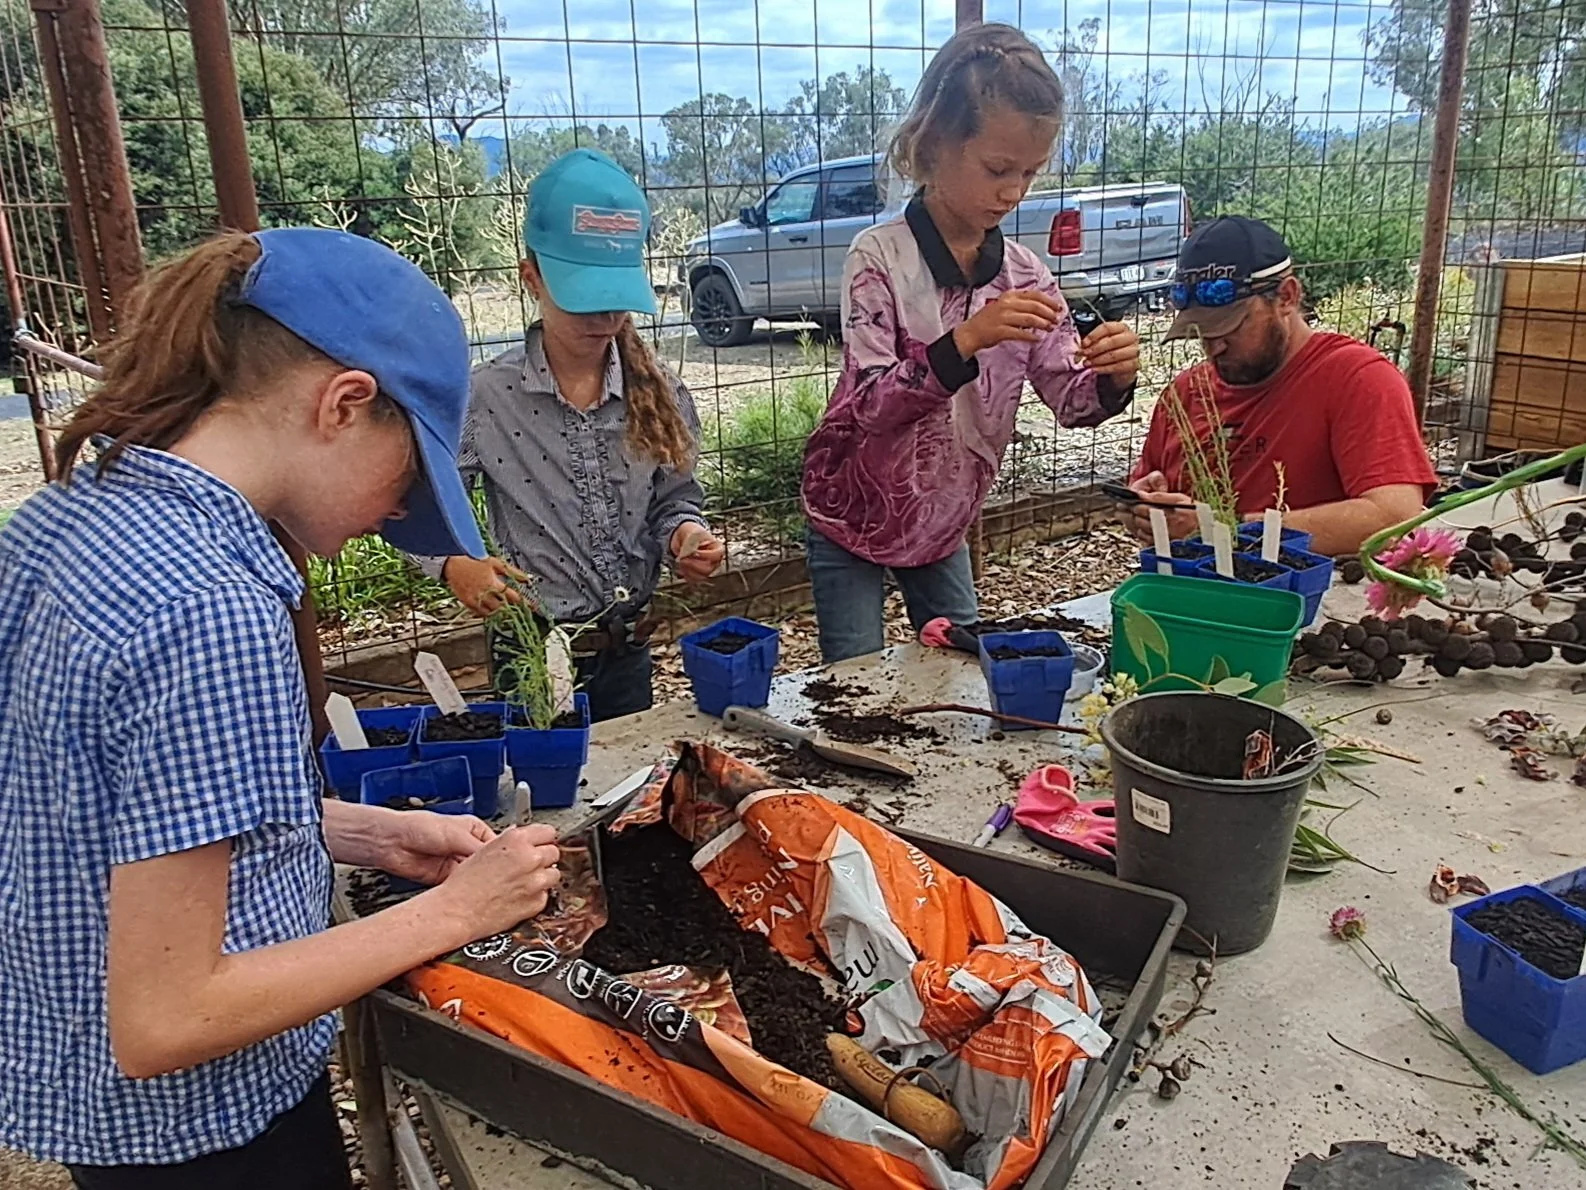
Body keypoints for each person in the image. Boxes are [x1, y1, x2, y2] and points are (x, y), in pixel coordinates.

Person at [0, 228, 562, 1189]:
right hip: (205, 1132)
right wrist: (457, 912)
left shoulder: (66, 519)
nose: (393, 516)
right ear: (345, 405)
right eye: (406, 481)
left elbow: (94, 805)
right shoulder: (212, 607)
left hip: (95, 1102)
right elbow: (170, 1017)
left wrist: (354, 832)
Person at [799, 22, 1141, 664]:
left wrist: (1112, 375)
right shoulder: (879, 259)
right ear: (933, 145)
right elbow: (872, 404)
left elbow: (1072, 399)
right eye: (996, 168)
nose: (1013, 191)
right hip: (849, 511)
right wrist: (965, 342)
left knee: (966, 670)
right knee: (854, 678)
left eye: (1030, 173)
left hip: (941, 524)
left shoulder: (1025, 276)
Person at [421, 149, 724, 721]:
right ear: (531, 277)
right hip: (531, 648)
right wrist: (455, 565)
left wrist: (686, 534)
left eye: (615, 298)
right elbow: (418, 500)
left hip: (626, 644)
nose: (603, 318)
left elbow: (673, 499)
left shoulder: (658, 392)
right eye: (583, 297)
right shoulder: (485, 398)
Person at [1127, 216, 1436, 556]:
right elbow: (1151, 487)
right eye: (1201, 333)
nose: (1214, 347)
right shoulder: (1186, 394)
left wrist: (1224, 530)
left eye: (1231, 326)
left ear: (1287, 297)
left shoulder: (1357, 379)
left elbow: (1393, 517)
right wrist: (1144, 506)